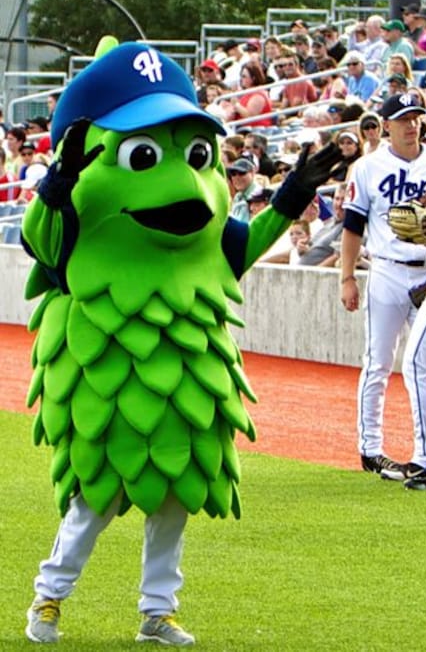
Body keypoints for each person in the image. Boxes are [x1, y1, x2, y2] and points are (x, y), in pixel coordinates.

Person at [21, 38, 332, 647]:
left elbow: (245, 243)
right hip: (105, 382)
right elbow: (42, 237)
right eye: (143, 152)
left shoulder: (205, 232)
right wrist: (58, 184)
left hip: (184, 386)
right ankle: (49, 597)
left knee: (173, 500)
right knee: (95, 500)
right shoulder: (75, 220)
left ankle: (156, 611)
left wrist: (292, 195)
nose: (184, 178)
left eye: (194, 151)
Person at [339, 93, 426, 479]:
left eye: (416, 117)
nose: (411, 124)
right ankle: (370, 447)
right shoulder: (368, 168)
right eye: (403, 118)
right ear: (386, 125)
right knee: (379, 362)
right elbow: (352, 226)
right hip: (386, 270)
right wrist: (347, 276)